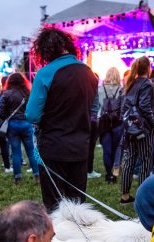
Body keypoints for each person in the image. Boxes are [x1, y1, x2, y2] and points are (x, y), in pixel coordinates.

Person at [26, 27, 98, 212]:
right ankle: (78, 239)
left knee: (56, 207)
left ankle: (61, 241)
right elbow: (92, 109)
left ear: (45, 50)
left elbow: (32, 115)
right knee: (77, 204)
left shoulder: (45, 73)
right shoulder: (89, 72)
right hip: (81, 146)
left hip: (53, 148)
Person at [120, 56, 154, 204]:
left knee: (129, 160)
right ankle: (142, 197)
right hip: (142, 128)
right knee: (146, 160)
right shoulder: (147, 83)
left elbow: (124, 107)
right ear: (148, 68)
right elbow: (144, 106)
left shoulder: (131, 82)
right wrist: (152, 122)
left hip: (129, 127)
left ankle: (125, 195)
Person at [0, 73, 39, 184]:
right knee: (31, 151)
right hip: (26, 124)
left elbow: (1, 112)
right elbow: (33, 109)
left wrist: (7, 117)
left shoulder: (6, 94)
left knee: (16, 152)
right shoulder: (27, 93)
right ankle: (37, 176)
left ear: (10, 81)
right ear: (23, 81)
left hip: (12, 125)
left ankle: (17, 178)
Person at [98, 67, 123, 183]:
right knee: (116, 149)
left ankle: (109, 175)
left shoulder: (100, 89)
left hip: (104, 122)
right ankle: (114, 172)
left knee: (106, 150)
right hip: (118, 122)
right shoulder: (122, 90)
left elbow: (97, 107)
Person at [87, 73, 102, 179]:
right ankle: (89, 170)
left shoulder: (83, 89)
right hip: (92, 120)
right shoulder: (95, 89)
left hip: (82, 120)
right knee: (90, 147)